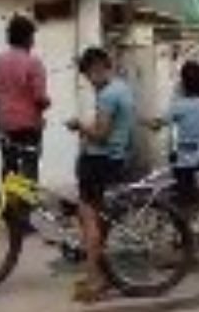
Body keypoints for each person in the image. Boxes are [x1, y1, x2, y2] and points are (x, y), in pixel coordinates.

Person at [66, 47, 135, 303]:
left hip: (98, 161)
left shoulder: (107, 95)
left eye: (88, 74)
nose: (88, 79)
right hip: (115, 160)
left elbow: (102, 134)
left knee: (89, 220)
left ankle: (95, 282)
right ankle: (100, 275)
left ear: (97, 68)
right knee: (98, 219)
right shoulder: (123, 89)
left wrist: (79, 126)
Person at [148, 61, 199, 217]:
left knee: (182, 203)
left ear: (183, 84)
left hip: (184, 160)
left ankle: (187, 232)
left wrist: (144, 121)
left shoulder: (178, 106)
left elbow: (158, 124)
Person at [0, 15, 50, 182]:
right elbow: (40, 98)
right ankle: (27, 207)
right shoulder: (34, 63)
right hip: (29, 127)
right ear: (28, 38)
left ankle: (8, 204)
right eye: (32, 37)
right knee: (29, 168)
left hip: (5, 125)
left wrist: (7, 98)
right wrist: (47, 103)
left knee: (9, 167)